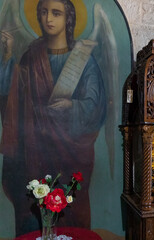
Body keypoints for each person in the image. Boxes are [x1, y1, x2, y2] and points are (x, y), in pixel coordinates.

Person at [0, 0, 106, 236]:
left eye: (56, 13)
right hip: (33, 152)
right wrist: (7, 55)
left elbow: (95, 106)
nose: (48, 18)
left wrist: (71, 106)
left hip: (71, 154)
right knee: (33, 216)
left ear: (68, 19)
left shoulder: (84, 60)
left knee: (72, 216)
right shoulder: (30, 58)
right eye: (44, 12)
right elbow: (12, 97)